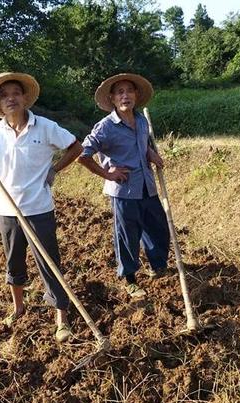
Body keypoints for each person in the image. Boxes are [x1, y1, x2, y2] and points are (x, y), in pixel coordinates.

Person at [0, 72, 83, 342]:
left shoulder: (44, 127)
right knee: (14, 261)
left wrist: (54, 170)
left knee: (49, 262)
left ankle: (61, 315)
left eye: (15, 93)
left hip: (39, 207)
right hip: (7, 210)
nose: (10, 98)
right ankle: (18, 308)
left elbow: (75, 146)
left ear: (24, 98)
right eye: (4, 95)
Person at [78, 73, 170, 299]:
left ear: (137, 95)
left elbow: (142, 144)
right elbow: (83, 155)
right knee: (127, 236)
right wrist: (107, 174)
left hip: (147, 186)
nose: (125, 95)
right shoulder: (105, 127)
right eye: (120, 92)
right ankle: (129, 279)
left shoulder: (141, 120)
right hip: (124, 191)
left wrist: (150, 153)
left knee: (158, 229)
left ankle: (157, 266)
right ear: (112, 98)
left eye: (129, 91)